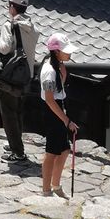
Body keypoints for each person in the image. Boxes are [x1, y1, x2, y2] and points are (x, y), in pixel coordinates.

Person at [0, 0, 39, 163]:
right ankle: (16, 144)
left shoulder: (9, 25)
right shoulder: (32, 26)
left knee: (8, 113)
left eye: (9, 5)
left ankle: (17, 152)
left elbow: (5, 48)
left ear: (13, 7)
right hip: (26, 73)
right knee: (18, 111)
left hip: (11, 75)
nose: (8, 8)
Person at [40, 33, 79, 197]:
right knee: (51, 153)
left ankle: (55, 185)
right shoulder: (49, 71)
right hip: (53, 112)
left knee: (64, 150)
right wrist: (66, 120)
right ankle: (46, 190)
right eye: (65, 51)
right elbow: (49, 99)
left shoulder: (59, 66)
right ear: (56, 52)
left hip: (59, 108)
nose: (69, 53)